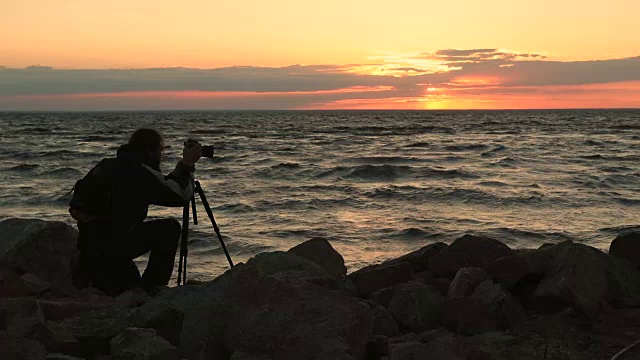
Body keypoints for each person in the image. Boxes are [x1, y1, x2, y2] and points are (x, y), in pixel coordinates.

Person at [69, 128, 202, 295]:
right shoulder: (140, 171)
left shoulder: (107, 165)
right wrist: (188, 165)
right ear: (150, 151)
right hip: (116, 246)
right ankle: (154, 289)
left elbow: (162, 185)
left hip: (90, 247)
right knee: (169, 229)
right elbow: (180, 195)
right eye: (160, 151)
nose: (161, 156)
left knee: (128, 286)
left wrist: (181, 168)